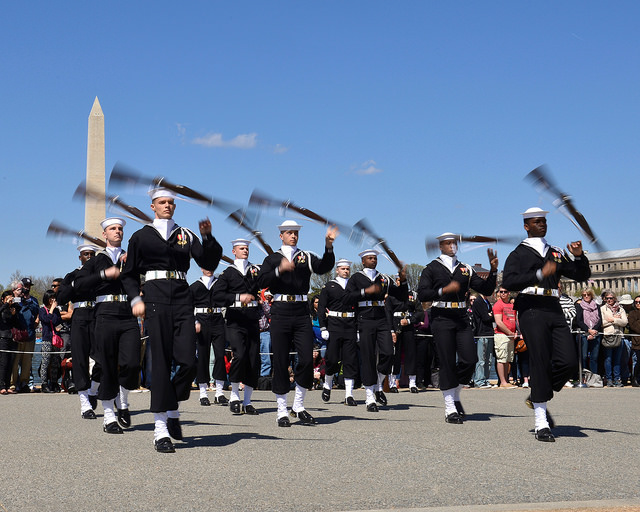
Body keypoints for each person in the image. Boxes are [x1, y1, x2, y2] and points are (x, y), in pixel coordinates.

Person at [121, 186, 222, 453]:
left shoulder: (185, 234)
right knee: (162, 363)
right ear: (152, 206)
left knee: (188, 361)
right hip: (153, 298)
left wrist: (207, 236)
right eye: (163, 202)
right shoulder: (141, 236)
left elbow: (208, 260)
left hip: (181, 297)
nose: (168, 206)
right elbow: (128, 274)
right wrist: (135, 299)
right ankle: (161, 429)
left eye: (171, 203)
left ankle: (172, 406)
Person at [502, 207, 590, 442]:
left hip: (553, 306)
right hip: (530, 306)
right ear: (526, 226)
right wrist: (540, 273)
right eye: (537, 221)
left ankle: (538, 393)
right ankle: (541, 423)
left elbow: (580, 275)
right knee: (540, 360)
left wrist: (579, 257)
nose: (542, 224)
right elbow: (509, 281)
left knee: (568, 361)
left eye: (544, 221)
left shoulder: (555, 252)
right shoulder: (519, 253)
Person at [256, 220, 336, 426]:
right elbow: (260, 281)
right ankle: (281, 410)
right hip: (280, 311)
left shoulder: (305, 256)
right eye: (289, 233)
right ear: (281, 236)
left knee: (307, 360)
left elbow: (324, 267)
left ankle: (298, 406)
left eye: (295, 233)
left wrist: (328, 246)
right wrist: (279, 270)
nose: (293, 236)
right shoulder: (272, 258)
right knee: (281, 360)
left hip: (301, 312)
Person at [418, 233, 498, 424]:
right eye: (448, 243)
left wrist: (493, 271)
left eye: (454, 242)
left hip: (461, 317)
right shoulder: (431, 268)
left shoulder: (465, 268)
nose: (452, 245)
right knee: (446, 361)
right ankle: (449, 407)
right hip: (441, 317)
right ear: (440, 246)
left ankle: (455, 393)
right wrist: (443, 290)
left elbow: (486, 290)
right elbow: (422, 294)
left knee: (470, 359)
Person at [74, 217, 142, 434]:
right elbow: (79, 283)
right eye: (113, 229)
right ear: (104, 234)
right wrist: (104, 274)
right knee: (108, 366)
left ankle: (122, 402)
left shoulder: (129, 258)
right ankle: (109, 417)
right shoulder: (96, 261)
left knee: (131, 363)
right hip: (104, 315)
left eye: (120, 229)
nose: (117, 232)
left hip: (128, 315)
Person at [345, 249, 407, 412]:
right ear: (363, 261)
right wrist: (365, 292)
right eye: (370, 258)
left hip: (381, 318)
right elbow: (347, 297)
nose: (373, 260)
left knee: (388, 353)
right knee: (368, 358)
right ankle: (369, 397)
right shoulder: (356, 278)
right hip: (364, 318)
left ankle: (379, 385)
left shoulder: (383, 278)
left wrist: (404, 279)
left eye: (375, 258)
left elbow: (401, 295)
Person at [212, 238, 262, 414]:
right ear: (234, 251)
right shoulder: (228, 273)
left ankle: (247, 401)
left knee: (253, 359)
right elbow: (217, 296)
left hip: (252, 319)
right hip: (235, 319)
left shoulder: (255, 270)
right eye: (242, 248)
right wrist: (237, 297)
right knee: (239, 355)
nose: (245, 251)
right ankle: (234, 395)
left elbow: (266, 280)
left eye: (247, 248)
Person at [317, 258, 371, 406]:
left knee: (350, 360)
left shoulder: (354, 287)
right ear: (337, 270)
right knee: (332, 359)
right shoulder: (329, 286)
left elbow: (360, 308)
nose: (346, 271)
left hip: (350, 325)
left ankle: (349, 395)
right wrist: (323, 327)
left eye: (348, 269)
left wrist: (359, 328)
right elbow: (321, 308)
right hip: (334, 324)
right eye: (343, 269)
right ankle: (328, 384)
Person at [57, 244, 102, 418]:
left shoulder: (100, 274)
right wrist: (75, 284)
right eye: (86, 254)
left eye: (92, 254)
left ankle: (93, 389)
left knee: (103, 358)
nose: (89, 256)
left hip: (98, 315)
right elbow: (61, 297)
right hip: (80, 316)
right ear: (80, 257)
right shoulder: (72, 275)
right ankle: (85, 403)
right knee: (80, 359)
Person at [189, 268, 227, 406]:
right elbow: (187, 306)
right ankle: (203, 393)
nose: (209, 269)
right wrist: (194, 321)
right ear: (200, 268)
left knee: (220, 355)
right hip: (202, 320)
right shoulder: (195, 286)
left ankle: (219, 392)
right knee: (203, 356)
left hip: (218, 319)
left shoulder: (220, 284)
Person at [386, 276, 423, 393]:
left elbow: (420, 313)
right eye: (398, 281)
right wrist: (391, 331)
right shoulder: (391, 295)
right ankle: (392, 383)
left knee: (411, 354)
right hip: (395, 324)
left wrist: (410, 320)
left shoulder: (413, 295)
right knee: (394, 355)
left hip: (408, 325)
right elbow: (388, 314)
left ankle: (412, 383)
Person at [10, 278, 40, 393]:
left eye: (28, 286)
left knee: (27, 362)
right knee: (15, 362)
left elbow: (36, 310)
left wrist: (27, 299)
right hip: (17, 335)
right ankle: (13, 384)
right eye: (24, 287)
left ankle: (24, 383)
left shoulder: (33, 300)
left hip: (30, 334)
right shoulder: (14, 300)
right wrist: (18, 300)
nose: (26, 288)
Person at [600, 291, 627, 387]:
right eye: (607, 298)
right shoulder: (602, 309)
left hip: (619, 336)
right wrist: (614, 319)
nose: (609, 300)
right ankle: (609, 379)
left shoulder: (621, 309)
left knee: (617, 359)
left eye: (611, 298)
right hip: (608, 335)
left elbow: (624, 322)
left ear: (614, 298)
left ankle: (617, 379)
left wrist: (612, 320)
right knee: (608, 359)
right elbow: (602, 323)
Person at [38, 289, 62, 393]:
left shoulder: (57, 310)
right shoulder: (42, 310)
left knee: (55, 361)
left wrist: (58, 326)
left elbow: (58, 321)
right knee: (45, 361)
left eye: (54, 298)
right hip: (47, 338)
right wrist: (51, 310)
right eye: (51, 298)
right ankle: (44, 383)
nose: (53, 300)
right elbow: (46, 320)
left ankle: (54, 382)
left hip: (56, 338)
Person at [575, 288, 603, 376]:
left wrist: (594, 330)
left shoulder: (597, 306)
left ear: (592, 295)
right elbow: (579, 321)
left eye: (588, 295)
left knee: (594, 357)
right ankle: (583, 375)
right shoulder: (579, 306)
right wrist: (588, 330)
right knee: (583, 356)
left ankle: (594, 376)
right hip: (584, 333)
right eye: (584, 295)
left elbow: (600, 320)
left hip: (595, 333)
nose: (586, 296)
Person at [493, 287, 517, 388]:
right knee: (501, 358)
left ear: (509, 293)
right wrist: (509, 332)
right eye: (501, 292)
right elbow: (499, 322)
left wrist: (514, 332)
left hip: (511, 335)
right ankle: (502, 381)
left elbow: (515, 320)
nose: (503, 293)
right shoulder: (498, 305)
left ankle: (506, 380)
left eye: (505, 292)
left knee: (508, 359)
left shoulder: (511, 305)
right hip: (501, 335)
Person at [471, 292, 495, 388]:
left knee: (489, 359)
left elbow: (490, 317)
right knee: (481, 359)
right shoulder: (478, 301)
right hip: (482, 333)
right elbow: (485, 317)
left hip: (489, 332)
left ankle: (485, 379)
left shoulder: (487, 301)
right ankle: (479, 380)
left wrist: (490, 315)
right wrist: (490, 315)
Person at [0, 291, 20, 395]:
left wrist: (14, 313)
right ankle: (1, 385)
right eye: (8, 299)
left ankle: (8, 385)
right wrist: (6, 304)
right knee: (3, 362)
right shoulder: (2, 309)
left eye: (11, 299)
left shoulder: (13, 309)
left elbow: (17, 323)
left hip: (13, 338)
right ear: (3, 299)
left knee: (11, 362)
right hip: (3, 337)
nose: (10, 300)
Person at [627, 295, 640, 387]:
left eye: (639, 302)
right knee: (637, 361)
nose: (638, 304)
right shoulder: (632, 313)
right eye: (636, 302)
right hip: (637, 341)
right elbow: (633, 326)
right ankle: (634, 378)